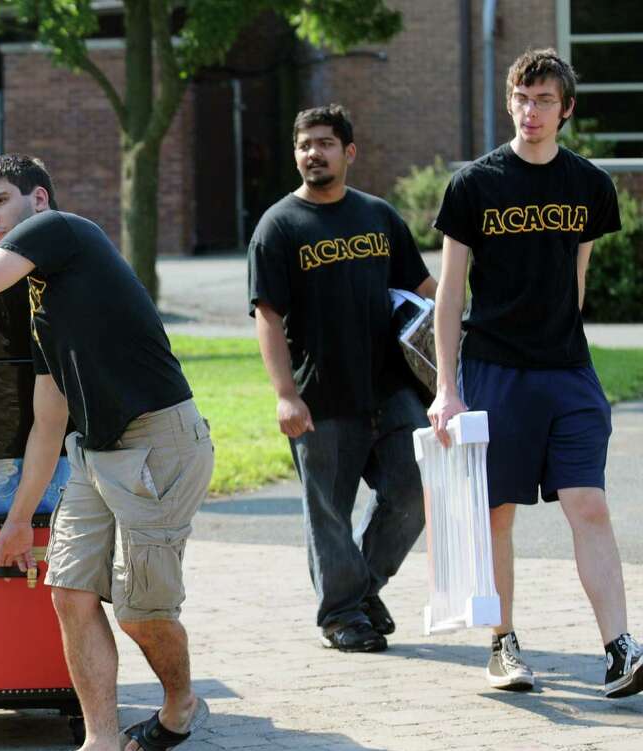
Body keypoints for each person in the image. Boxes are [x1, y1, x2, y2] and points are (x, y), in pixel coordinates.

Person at [0, 154, 214, 751]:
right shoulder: (46, 302)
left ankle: (180, 704)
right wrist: (19, 520)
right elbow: (49, 422)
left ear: (37, 200)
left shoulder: (61, 230)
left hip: (157, 444)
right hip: (95, 454)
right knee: (70, 592)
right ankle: (101, 748)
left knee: (140, 612)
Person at [430, 48, 642, 698]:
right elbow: (450, 291)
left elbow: (574, 279)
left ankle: (619, 648)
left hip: (569, 372)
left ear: (566, 109)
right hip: (495, 370)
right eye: (522, 97)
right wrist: (446, 387)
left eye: (544, 99)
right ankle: (502, 641)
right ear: (510, 102)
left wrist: (562, 347)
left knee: (590, 505)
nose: (531, 110)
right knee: (497, 514)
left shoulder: (588, 186)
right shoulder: (475, 184)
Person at [248, 105, 436, 654]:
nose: (315, 153)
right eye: (305, 144)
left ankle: (361, 589)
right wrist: (285, 395)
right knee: (328, 510)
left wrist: (449, 339)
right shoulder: (278, 227)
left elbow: (425, 290)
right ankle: (341, 615)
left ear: (348, 153)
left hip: (392, 388)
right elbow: (268, 316)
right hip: (321, 395)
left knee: (415, 491)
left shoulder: (378, 216)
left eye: (326, 143)